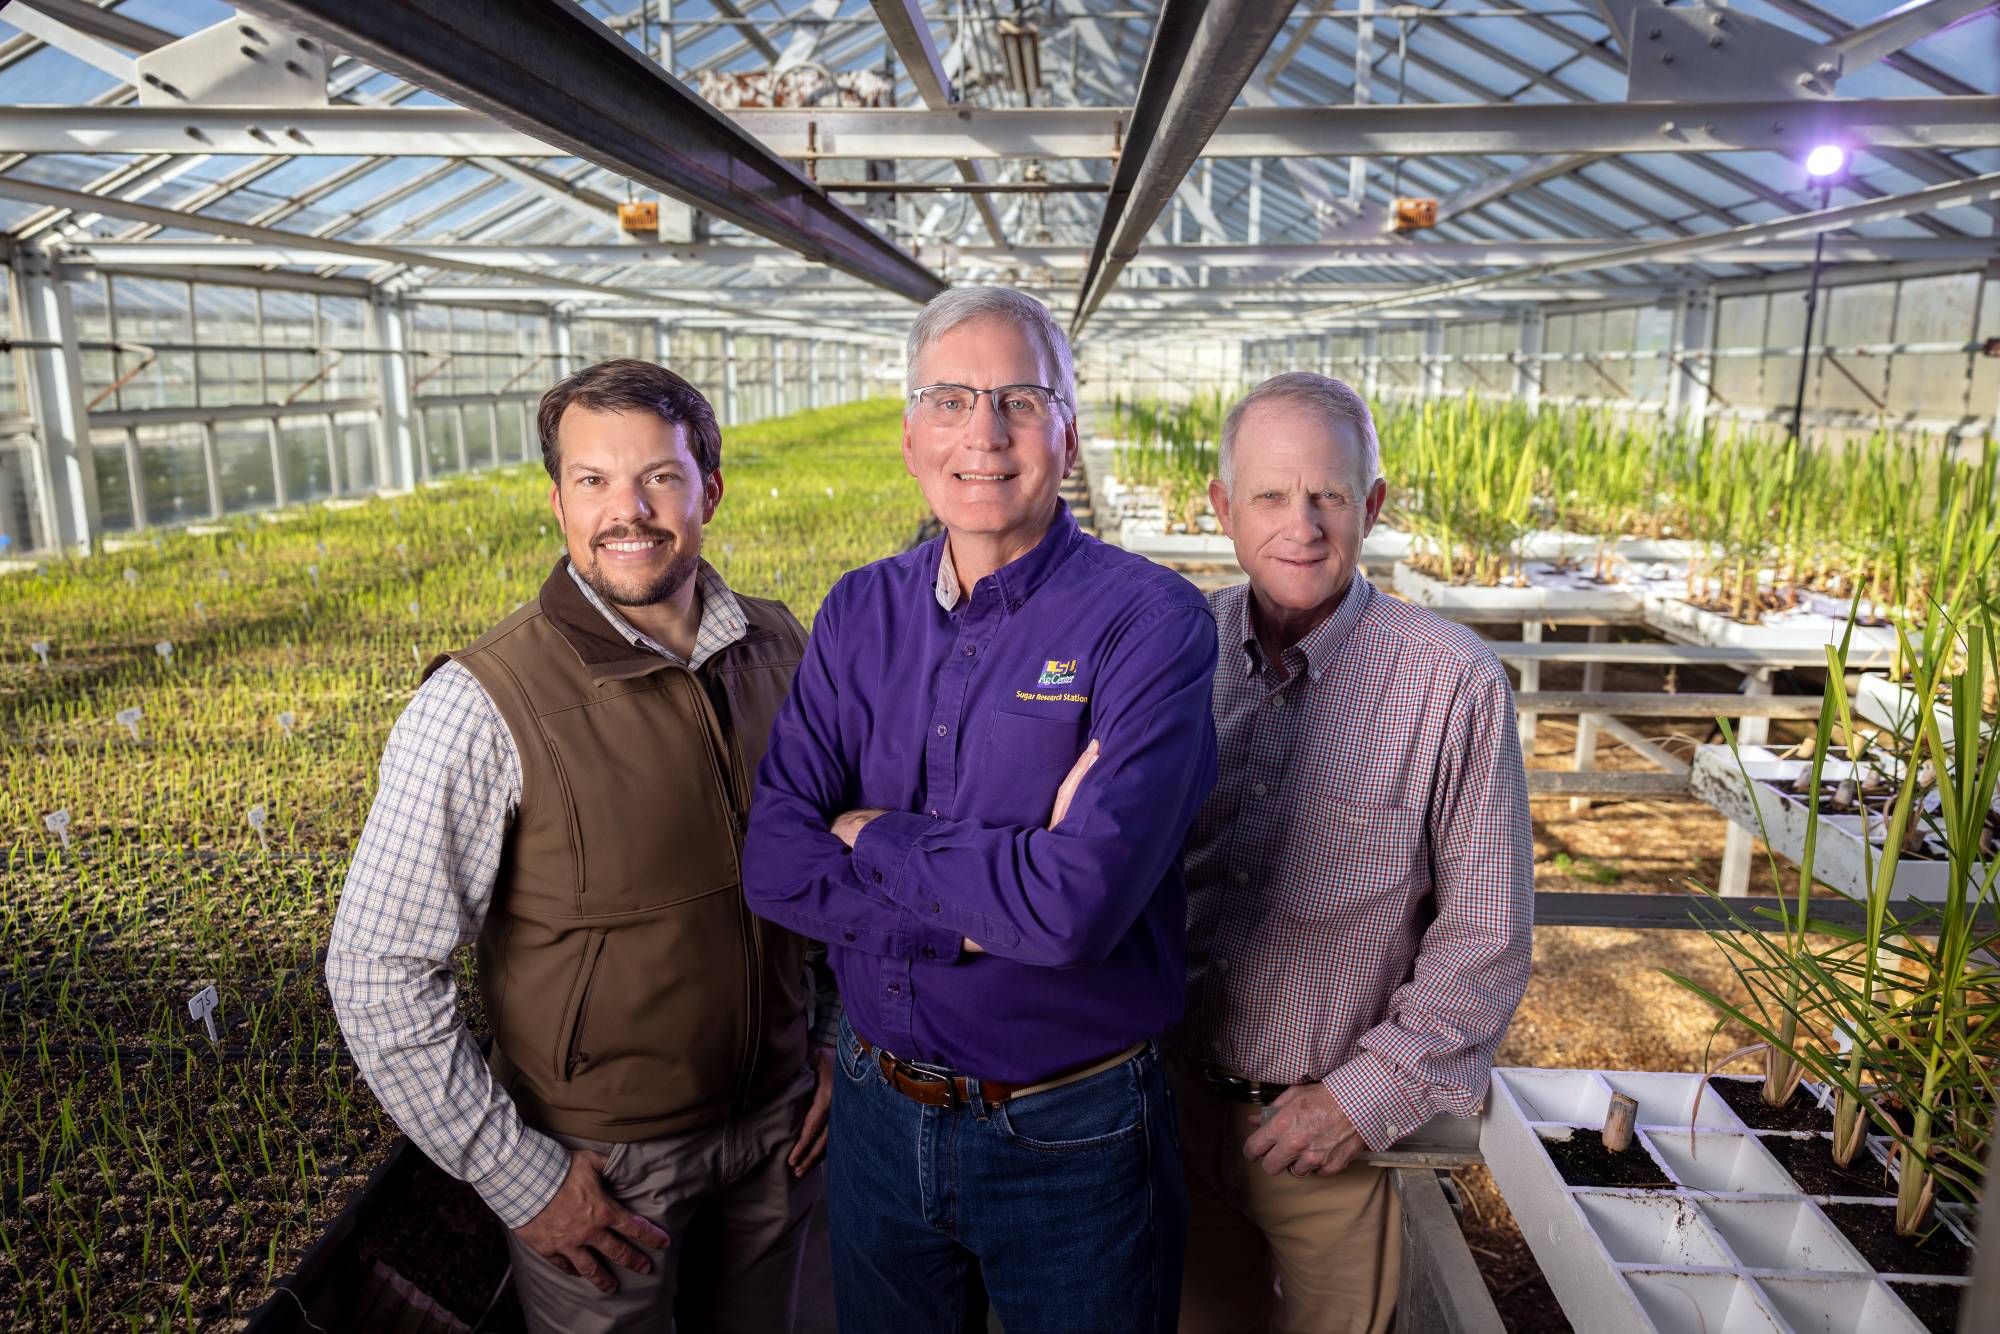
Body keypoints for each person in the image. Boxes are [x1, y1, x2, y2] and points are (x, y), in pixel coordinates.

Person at [742, 286, 1218, 1332]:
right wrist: (987, 898)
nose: (984, 433)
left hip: (1073, 1133)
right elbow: (775, 858)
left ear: (1068, 434)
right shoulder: (860, 606)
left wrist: (871, 832)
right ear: (911, 437)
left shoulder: (1149, 622)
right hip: (875, 1114)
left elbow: (1074, 908)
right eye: (950, 399)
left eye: (1017, 398)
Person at [328, 359, 837, 1334]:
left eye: (657, 475)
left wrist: (832, 1039)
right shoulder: (481, 703)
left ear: (709, 489)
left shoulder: (784, 648)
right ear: (556, 499)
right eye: (593, 480)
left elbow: (846, 865)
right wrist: (521, 1177)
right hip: (604, 1165)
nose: (627, 510)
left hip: (781, 1128)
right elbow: (378, 970)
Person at [1173, 372, 1534, 1334]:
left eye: (1329, 495)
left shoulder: (1450, 681)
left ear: (1371, 505)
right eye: (1270, 495)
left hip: (1329, 1131)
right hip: (1165, 1103)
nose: (1302, 524)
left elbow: (1486, 932)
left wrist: (1360, 1098)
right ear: (1221, 508)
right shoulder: (1174, 651)